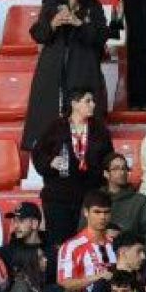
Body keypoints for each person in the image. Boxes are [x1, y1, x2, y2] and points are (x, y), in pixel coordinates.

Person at [22, 0, 116, 153]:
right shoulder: (52, 4)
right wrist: (52, 24)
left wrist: (78, 23)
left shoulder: (92, 6)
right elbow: (38, 34)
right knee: (48, 113)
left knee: (83, 111)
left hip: (83, 67)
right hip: (53, 68)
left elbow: (101, 36)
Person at [32, 88, 114, 249]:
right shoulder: (56, 126)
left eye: (93, 101)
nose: (93, 104)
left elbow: (108, 158)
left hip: (89, 197)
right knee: (61, 246)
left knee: (89, 245)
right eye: (88, 101)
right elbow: (38, 154)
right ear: (75, 104)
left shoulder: (100, 130)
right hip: (59, 199)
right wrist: (50, 162)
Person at [57, 191, 116, 291]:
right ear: (86, 212)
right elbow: (65, 282)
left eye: (106, 212)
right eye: (97, 212)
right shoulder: (72, 246)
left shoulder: (116, 243)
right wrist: (97, 277)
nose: (102, 217)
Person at [105, 154, 146, 255]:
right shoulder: (96, 200)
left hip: (132, 261)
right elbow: (83, 231)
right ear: (106, 173)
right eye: (116, 169)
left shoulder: (141, 201)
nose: (122, 172)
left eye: (124, 168)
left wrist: (142, 255)